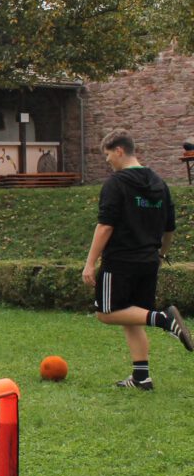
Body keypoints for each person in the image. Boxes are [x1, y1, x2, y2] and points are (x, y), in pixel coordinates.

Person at [81, 129, 192, 391]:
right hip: (149, 261)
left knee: (106, 314)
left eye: (108, 156)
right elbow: (169, 229)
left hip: (120, 261)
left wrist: (89, 262)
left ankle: (165, 320)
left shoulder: (115, 184)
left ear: (119, 150)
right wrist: (161, 255)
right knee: (133, 317)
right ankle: (142, 377)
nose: (108, 162)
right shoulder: (159, 183)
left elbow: (105, 226)